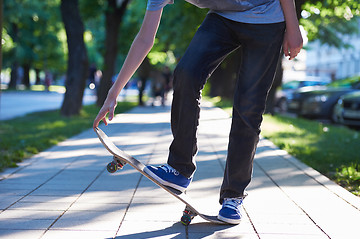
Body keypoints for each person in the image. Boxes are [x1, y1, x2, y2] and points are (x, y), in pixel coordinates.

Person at [93, 0, 303, 224]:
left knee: (249, 106)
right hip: (223, 19)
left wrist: (293, 26)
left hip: (267, 19)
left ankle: (234, 195)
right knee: (186, 73)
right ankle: (179, 169)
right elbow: (145, 39)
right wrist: (113, 93)